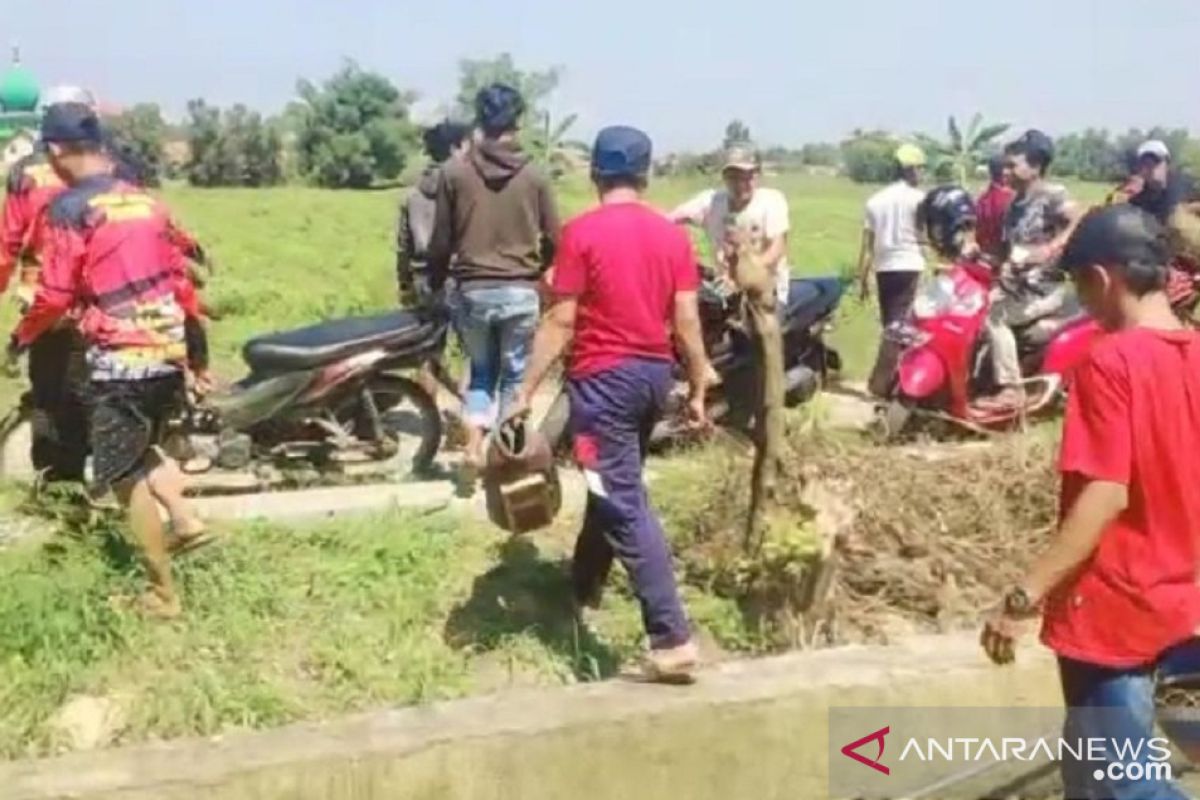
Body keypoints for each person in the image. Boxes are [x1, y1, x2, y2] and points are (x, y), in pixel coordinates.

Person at [981, 205, 1200, 800]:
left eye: (1079, 285)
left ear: (1103, 279)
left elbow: (1105, 493)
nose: (1082, 301)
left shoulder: (1109, 361)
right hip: (1185, 604)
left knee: (1128, 786)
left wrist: (1024, 596)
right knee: (1093, 766)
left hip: (1118, 613)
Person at [506, 125, 710, 682]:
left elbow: (561, 319)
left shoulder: (582, 233)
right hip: (652, 378)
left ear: (596, 173)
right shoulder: (673, 237)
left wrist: (523, 392)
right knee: (609, 484)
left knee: (622, 499)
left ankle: (671, 638)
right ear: (644, 175)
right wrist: (696, 385)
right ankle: (583, 588)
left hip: (604, 384)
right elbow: (687, 320)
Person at [9, 104, 208, 618]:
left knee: (121, 474)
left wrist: (20, 337)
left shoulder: (72, 209)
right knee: (142, 448)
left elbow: (53, 296)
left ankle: (162, 595)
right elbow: (185, 266)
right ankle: (185, 521)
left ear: (54, 152)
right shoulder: (145, 202)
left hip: (122, 358)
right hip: (168, 350)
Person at [428, 84, 560, 486]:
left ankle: (472, 449)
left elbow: (440, 241)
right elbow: (556, 238)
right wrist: (540, 271)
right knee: (515, 379)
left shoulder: (453, 173)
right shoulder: (535, 176)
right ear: (517, 120)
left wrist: (435, 285)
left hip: (472, 291)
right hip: (520, 290)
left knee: (481, 374)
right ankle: (508, 461)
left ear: (479, 120)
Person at [0, 87, 99, 483]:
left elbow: (7, 245)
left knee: (51, 393)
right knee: (100, 386)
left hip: (46, 301)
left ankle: (59, 481)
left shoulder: (25, 173)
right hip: (104, 300)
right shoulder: (113, 167)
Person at [984, 130, 1080, 408]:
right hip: (1018, 289)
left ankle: (1012, 389)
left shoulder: (1053, 195)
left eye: (1013, 165)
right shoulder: (1014, 204)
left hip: (1045, 288)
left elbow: (1079, 221)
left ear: (1035, 167)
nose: (1006, 170)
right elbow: (1006, 248)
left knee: (994, 318)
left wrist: (1050, 249)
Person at [669, 142, 792, 308]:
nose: (741, 184)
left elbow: (777, 248)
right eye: (734, 176)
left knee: (760, 329)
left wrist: (743, 277)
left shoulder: (771, 201)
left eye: (748, 176)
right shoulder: (711, 202)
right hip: (724, 289)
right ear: (724, 177)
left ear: (757, 175)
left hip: (765, 289)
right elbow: (668, 219)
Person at [858, 144, 927, 396]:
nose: (922, 175)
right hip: (910, 265)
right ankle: (881, 384)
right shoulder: (919, 199)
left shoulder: (875, 200)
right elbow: (923, 237)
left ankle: (890, 380)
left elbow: (866, 245)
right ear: (911, 169)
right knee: (900, 327)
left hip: (884, 268)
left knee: (892, 323)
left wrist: (862, 278)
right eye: (921, 169)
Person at [396, 120, 472, 308]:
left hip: (423, 279)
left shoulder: (413, 195)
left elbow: (404, 247)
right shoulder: (466, 190)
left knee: (431, 335)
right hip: (460, 278)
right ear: (455, 149)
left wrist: (405, 284)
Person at [975, 155, 1015, 261]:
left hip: (984, 255)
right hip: (1004, 257)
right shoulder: (1011, 198)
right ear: (1005, 172)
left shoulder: (982, 198)